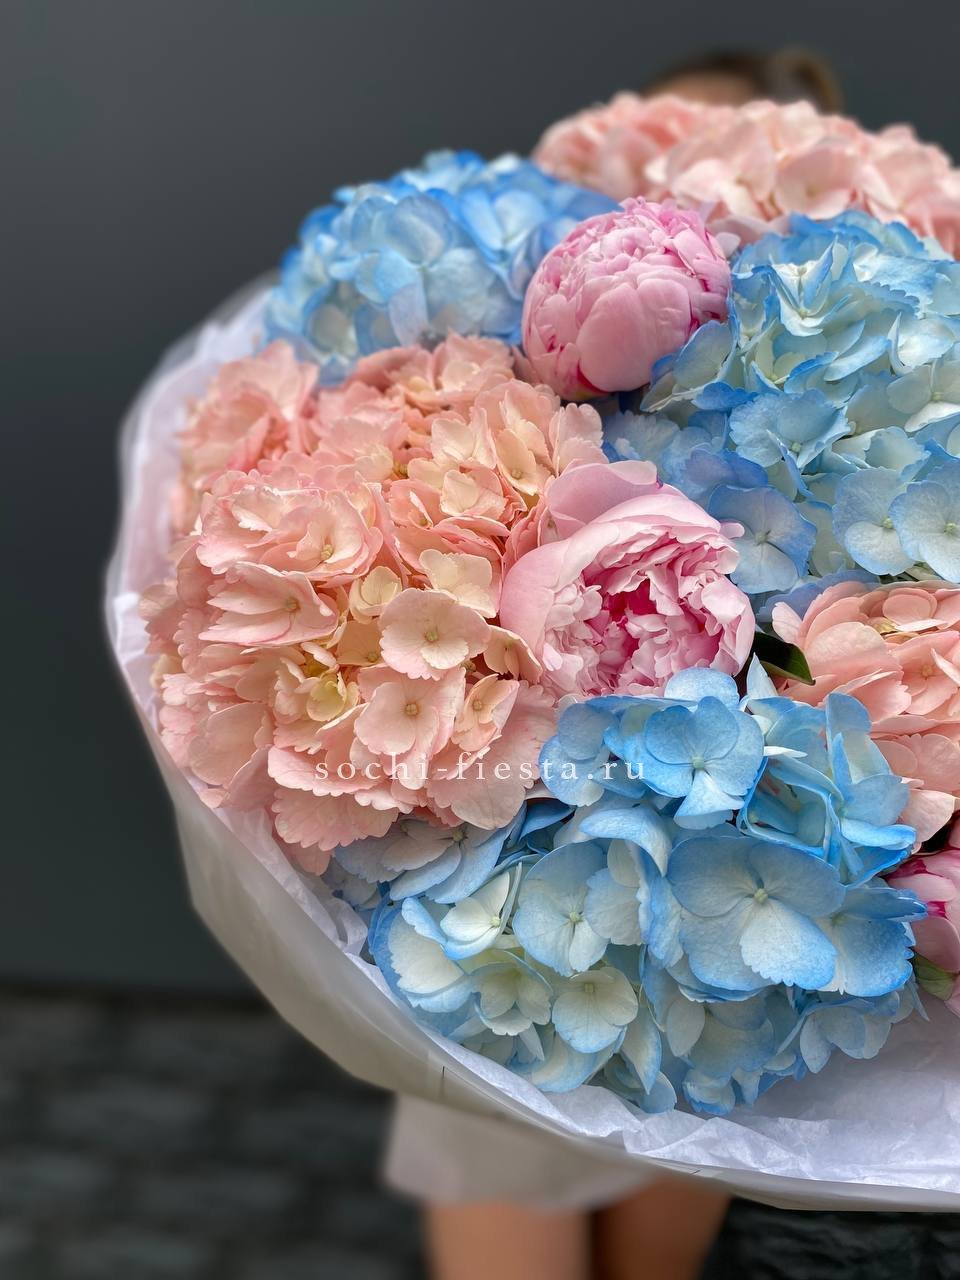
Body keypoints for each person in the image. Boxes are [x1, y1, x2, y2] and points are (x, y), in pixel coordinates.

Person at [387, 49, 842, 1280]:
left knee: (664, 1214)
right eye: (672, 158)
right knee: (501, 1161)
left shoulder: (819, 384)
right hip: (502, 892)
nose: (703, 195)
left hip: (706, 913)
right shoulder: (504, 361)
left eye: (746, 167)